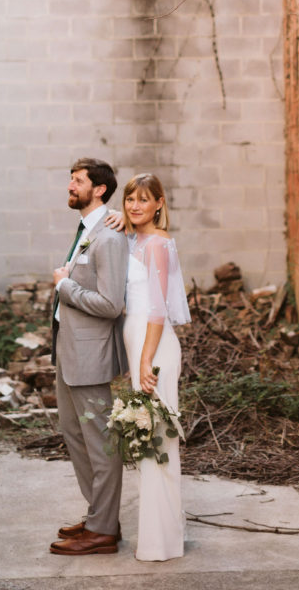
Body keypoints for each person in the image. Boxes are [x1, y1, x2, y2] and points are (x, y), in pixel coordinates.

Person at [49, 157, 129, 556]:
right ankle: (99, 516)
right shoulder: (90, 230)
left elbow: (112, 304)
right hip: (69, 353)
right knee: (75, 436)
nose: (70, 186)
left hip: (92, 357)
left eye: (77, 181)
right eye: (71, 180)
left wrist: (65, 288)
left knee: (100, 444)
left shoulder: (109, 236)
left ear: (99, 189)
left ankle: (103, 532)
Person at [121, 172, 191, 561]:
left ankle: (161, 541)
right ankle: (161, 532)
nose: (135, 206)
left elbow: (158, 308)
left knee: (158, 438)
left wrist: (146, 359)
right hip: (139, 342)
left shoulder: (159, 244)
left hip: (156, 346)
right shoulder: (133, 240)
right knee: (145, 437)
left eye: (144, 200)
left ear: (159, 204)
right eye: (131, 199)